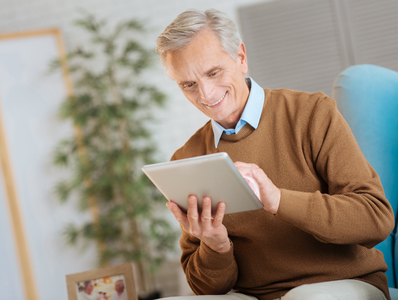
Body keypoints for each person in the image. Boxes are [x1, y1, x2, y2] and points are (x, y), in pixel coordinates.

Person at [155, 8, 394, 300]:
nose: (205, 94)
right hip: (255, 294)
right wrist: (216, 247)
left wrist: (278, 200)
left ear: (241, 57)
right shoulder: (187, 159)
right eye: (188, 85)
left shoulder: (312, 113)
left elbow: (376, 219)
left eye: (213, 72)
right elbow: (207, 289)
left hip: (344, 282)